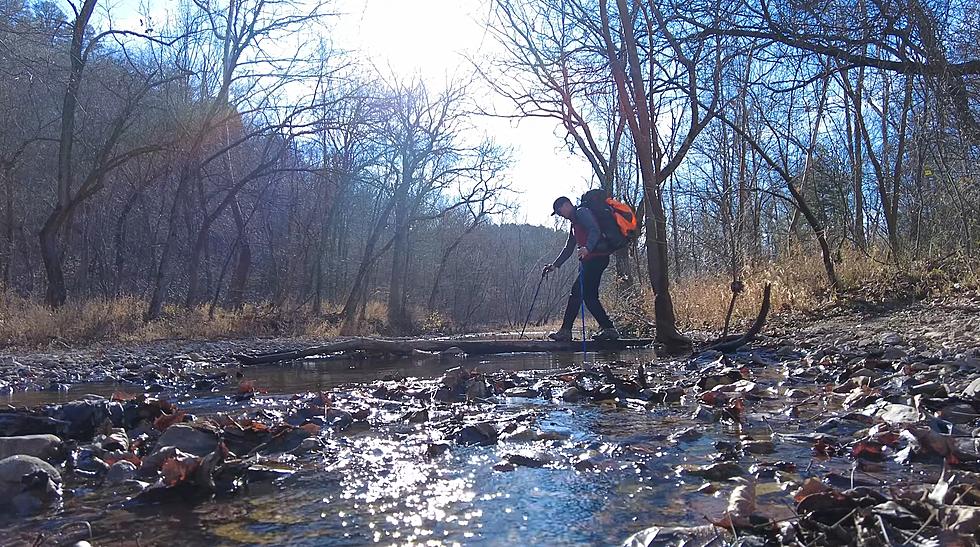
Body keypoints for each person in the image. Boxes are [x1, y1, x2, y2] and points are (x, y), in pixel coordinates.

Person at [543, 195, 620, 342]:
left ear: (566, 205)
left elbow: (595, 230)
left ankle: (566, 331)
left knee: (577, 292)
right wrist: (555, 265)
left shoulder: (582, 213)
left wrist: (587, 248)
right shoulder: (574, 223)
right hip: (593, 260)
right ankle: (609, 330)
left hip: (596, 259)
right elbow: (569, 248)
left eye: (559, 211)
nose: (560, 215)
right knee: (589, 297)